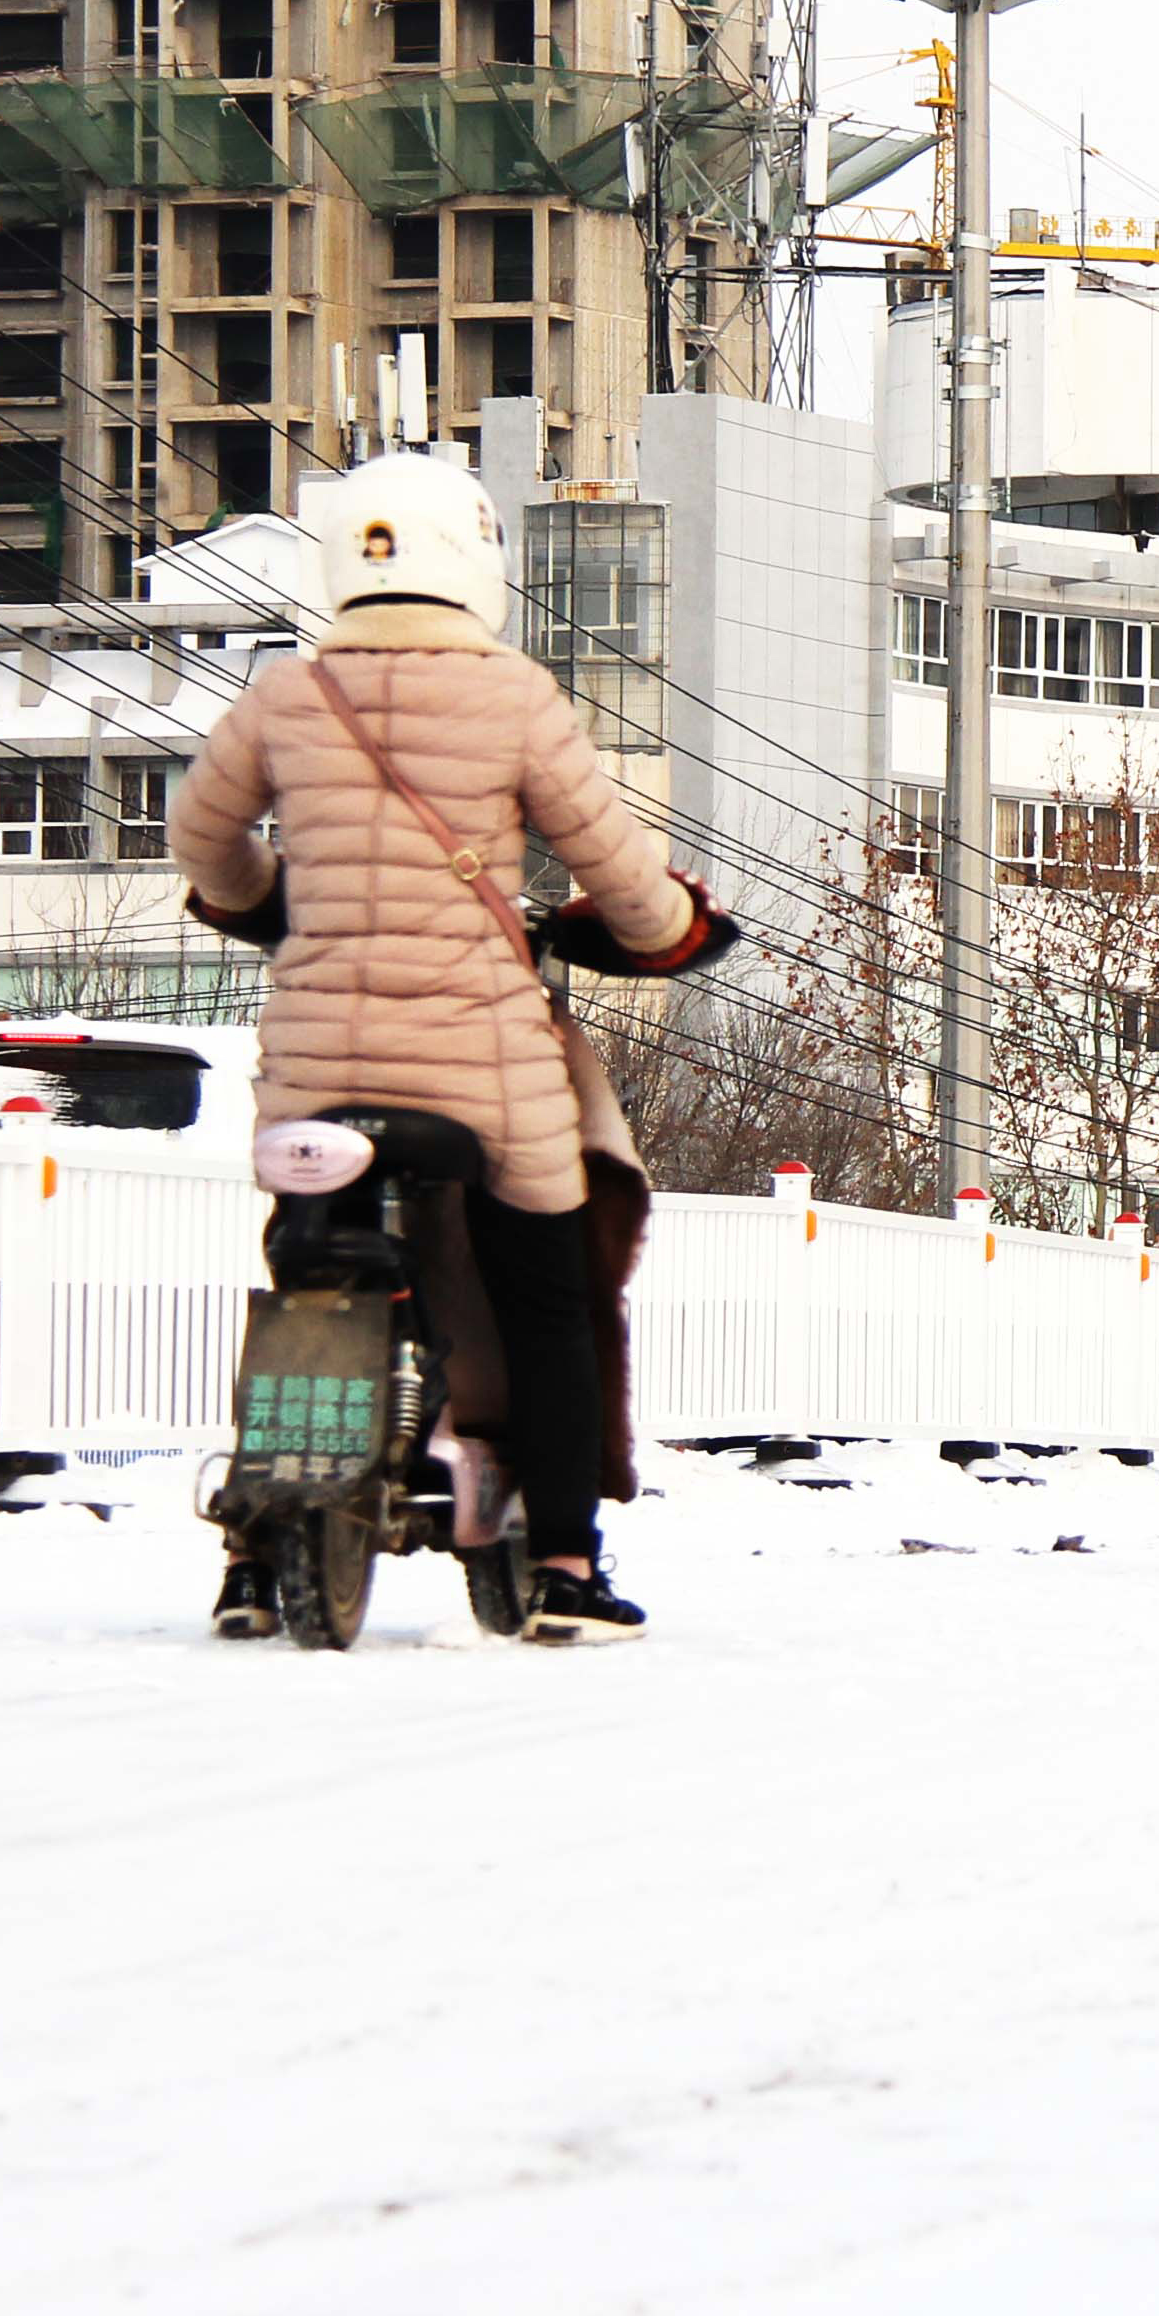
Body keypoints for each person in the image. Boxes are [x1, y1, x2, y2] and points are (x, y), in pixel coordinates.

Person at [171, 453, 711, 1645]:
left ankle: (254, 1558)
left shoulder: (286, 696)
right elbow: (619, 873)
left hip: (314, 1071)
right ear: (477, 564)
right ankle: (566, 1562)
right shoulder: (517, 699)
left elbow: (201, 837)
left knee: (300, 1271)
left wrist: (272, 901)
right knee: (550, 1296)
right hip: (483, 1066)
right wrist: (668, 929)